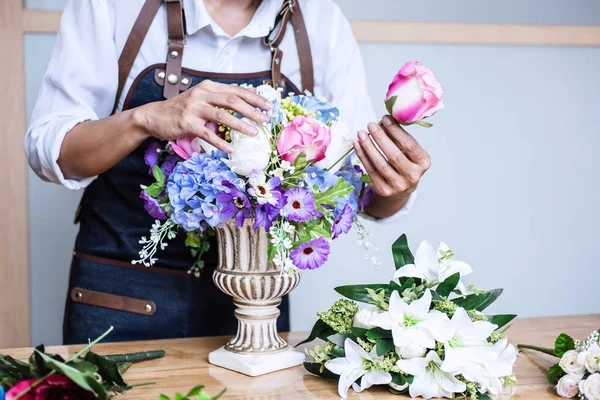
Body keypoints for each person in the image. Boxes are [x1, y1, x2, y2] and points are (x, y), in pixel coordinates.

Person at [25, 0, 431, 345]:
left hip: (256, 312)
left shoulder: (319, 20)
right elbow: (53, 152)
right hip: (119, 299)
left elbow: (361, 193)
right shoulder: (114, 7)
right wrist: (146, 119)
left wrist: (396, 187)